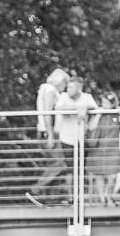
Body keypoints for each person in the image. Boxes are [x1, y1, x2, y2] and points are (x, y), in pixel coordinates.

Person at [28, 73, 96, 205]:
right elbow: (48, 112)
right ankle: (36, 190)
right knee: (60, 164)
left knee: (62, 165)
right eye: (66, 85)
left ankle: (47, 197)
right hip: (49, 133)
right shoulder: (50, 90)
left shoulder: (46, 89)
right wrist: (50, 134)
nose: (66, 88)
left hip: (55, 133)